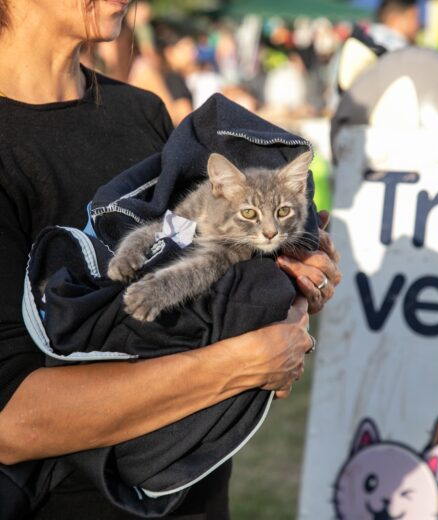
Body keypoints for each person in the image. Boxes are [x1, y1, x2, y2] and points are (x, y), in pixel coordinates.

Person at [0, 1, 340, 519]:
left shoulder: (140, 112)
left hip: (193, 488)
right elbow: (11, 423)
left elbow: (198, 251)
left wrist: (285, 279)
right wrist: (241, 364)